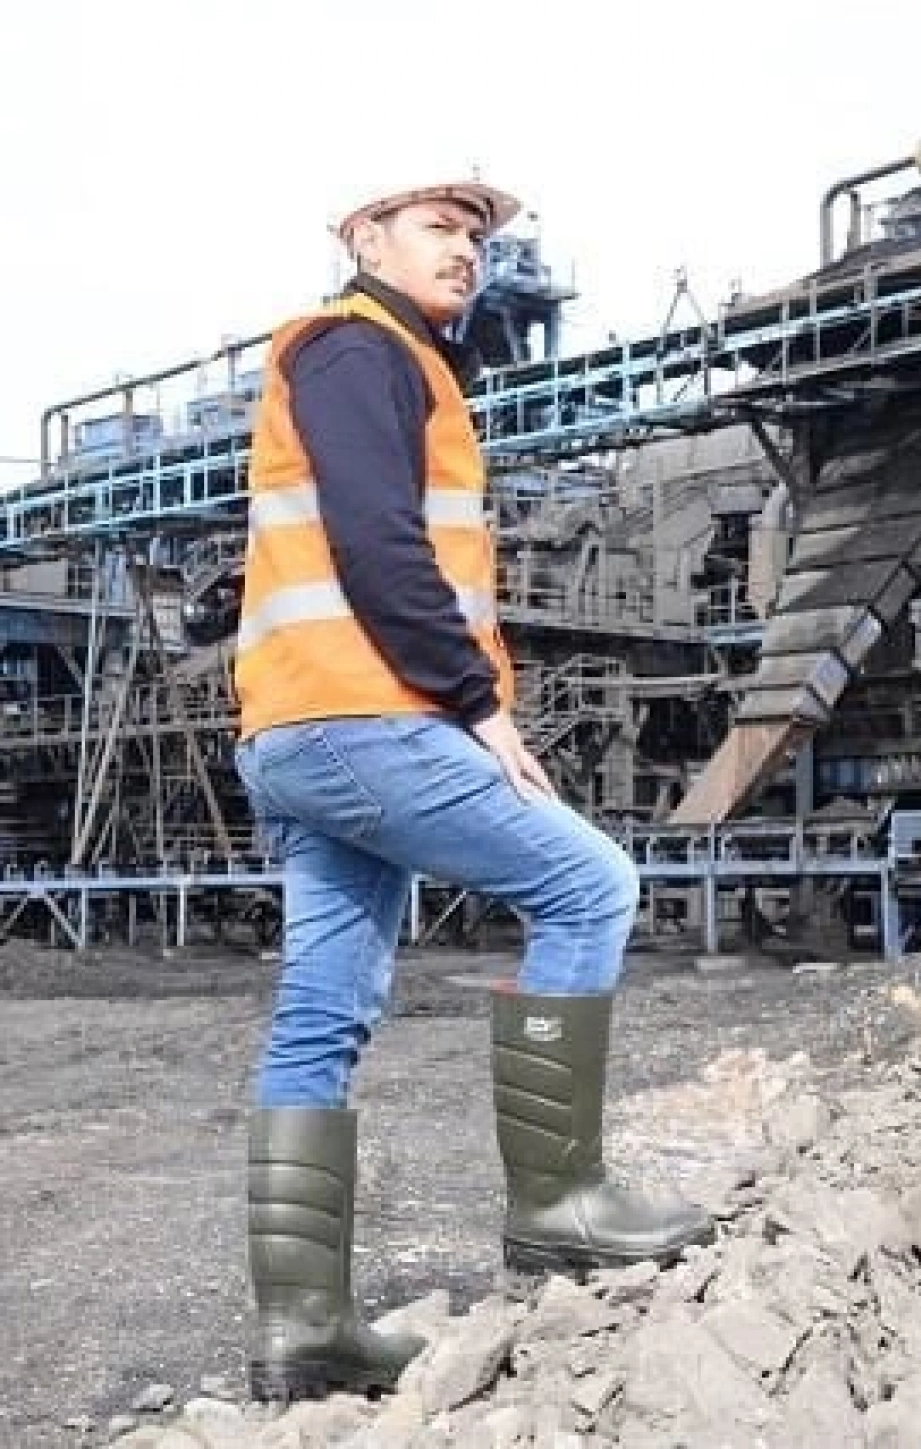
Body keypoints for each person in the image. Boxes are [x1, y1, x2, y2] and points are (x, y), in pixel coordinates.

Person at [233, 172, 713, 1405]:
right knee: (588, 881)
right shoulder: (358, 349)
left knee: (323, 1008)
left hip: (300, 725)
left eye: (477, 237)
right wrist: (476, 702)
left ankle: (306, 1329)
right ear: (364, 236)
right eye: (439, 227)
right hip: (363, 714)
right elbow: (377, 544)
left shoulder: (380, 364)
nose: (467, 251)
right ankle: (558, 1203)